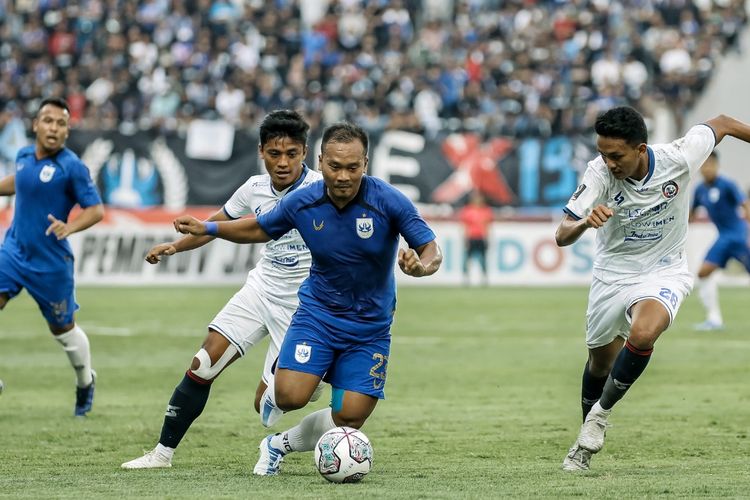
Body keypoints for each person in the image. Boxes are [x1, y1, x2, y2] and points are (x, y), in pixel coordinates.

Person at [172, 122, 442, 476]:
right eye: (334, 166)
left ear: (366, 163)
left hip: (370, 328)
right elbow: (259, 227)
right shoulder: (304, 201)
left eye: (353, 167)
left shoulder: (388, 200)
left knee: (349, 419)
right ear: (321, 161)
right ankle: (301, 376)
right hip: (318, 316)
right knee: (289, 397)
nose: (343, 176)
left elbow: (430, 247)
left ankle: (276, 445)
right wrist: (209, 228)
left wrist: (421, 267)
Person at [121, 109, 325, 469]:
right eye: (274, 154)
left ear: (304, 153)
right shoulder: (253, 188)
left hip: (302, 306)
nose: (282, 163)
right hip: (261, 288)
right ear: (261, 151)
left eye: (291, 154)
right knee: (203, 363)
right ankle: (162, 454)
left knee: (270, 405)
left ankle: (306, 382)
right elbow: (214, 225)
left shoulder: (321, 189)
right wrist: (173, 246)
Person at [555, 106, 750, 471]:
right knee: (600, 362)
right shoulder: (598, 174)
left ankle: (599, 418)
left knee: (644, 333)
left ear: (640, 149)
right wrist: (584, 221)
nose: (609, 163)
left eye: (616, 155)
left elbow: (722, 124)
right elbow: (561, 234)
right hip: (612, 275)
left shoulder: (679, 157)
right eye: (603, 154)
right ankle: (585, 434)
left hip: (664, 271)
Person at [0, 97, 104, 416]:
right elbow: (20, 182)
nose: (53, 128)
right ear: (35, 124)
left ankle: (85, 381)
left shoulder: (72, 167)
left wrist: (69, 228)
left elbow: (96, 210)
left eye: (61, 124)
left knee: (63, 330)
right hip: (13, 252)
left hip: (50, 265)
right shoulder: (22, 156)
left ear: (67, 131)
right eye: (48, 121)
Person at [689, 151, 750, 331]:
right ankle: (714, 319)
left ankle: (714, 319)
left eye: (710, 165)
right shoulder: (700, 190)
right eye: (704, 165)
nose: (707, 169)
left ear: (716, 165)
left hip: (738, 236)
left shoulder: (727, 184)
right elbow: (691, 215)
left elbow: (745, 204)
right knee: (703, 272)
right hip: (724, 238)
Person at [458, 190, 493, 286]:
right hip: (471, 238)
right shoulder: (467, 210)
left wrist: (488, 238)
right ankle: (466, 279)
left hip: (481, 238)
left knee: (483, 259)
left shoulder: (486, 210)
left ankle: (484, 278)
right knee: (467, 259)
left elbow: (487, 227)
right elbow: (464, 227)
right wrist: (465, 239)